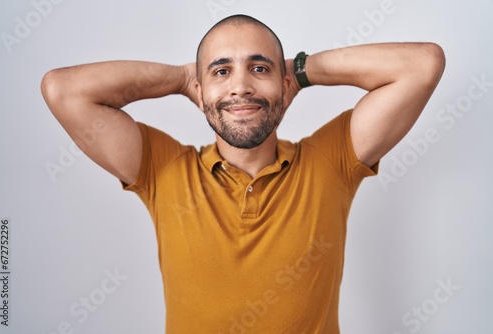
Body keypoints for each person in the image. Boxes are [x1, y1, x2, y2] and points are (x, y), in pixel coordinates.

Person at [41, 14, 445, 334]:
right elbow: (62, 90)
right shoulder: (161, 168)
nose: (241, 87)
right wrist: (183, 78)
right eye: (221, 72)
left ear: (284, 87)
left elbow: (422, 64)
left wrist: (299, 70)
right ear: (200, 92)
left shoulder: (330, 161)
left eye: (259, 69)